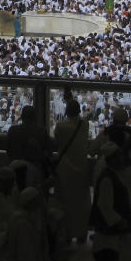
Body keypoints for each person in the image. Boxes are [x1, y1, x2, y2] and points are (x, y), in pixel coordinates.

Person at [52, 98, 91, 244]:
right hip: (81, 167)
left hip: (65, 168)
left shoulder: (61, 126)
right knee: (82, 201)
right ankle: (82, 233)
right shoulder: (84, 124)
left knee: (65, 201)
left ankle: (67, 234)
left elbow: (57, 141)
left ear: (66, 111)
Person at [90, 142, 131, 261]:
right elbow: (104, 205)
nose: (122, 158)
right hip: (110, 234)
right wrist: (118, 220)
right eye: (119, 155)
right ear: (112, 159)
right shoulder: (107, 179)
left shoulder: (116, 174)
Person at [6, 187, 47, 261]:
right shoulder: (22, 223)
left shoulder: (24, 219)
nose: (39, 204)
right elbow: (26, 255)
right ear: (31, 202)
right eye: (37, 201)